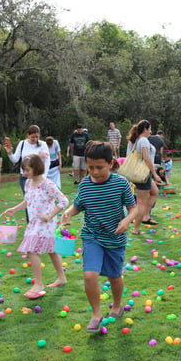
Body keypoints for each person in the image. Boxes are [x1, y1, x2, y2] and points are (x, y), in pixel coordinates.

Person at [60, 141, 138, 333]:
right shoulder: (85, 184)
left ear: (111, 164)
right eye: (91, 167)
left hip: (115, 238)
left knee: (114, 276)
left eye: (99, 167)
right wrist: (69, 212)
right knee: (89, 274)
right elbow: (78, 205)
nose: (94, 172)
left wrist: (127, 221)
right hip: (92, 236)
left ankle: (117, 305)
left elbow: (133, 209)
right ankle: (96, 315)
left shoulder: (121, 183)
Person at [4, 154, 69, 299]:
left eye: (27, 170)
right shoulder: (28, 183)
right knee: (52, 250)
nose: (24, 173)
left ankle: (38, 284)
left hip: (46, 223)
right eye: (24, 170)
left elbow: (63, 201)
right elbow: (27, 201)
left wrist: (50, 215)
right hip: (34, 222)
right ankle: (61, 277)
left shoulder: (47, 185)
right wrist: (14, 209)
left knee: (31, 249)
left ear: (37, 168)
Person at [126, 120, 162, 234]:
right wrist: (155, 174)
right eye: (150, 129)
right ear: (145, 129)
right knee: (141, 202)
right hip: (143, 174)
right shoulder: (143, 141)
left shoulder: (134, 141)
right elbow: (147, 159)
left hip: (137, 173)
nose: (151, 131)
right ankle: (136, 229)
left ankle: (146, 216)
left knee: (154, 192)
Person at [5, 125, 50, 197]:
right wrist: (10, 153)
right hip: (25, 176)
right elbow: (15, 160)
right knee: (28, 199)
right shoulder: (22, 143)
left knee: (38, 198)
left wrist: (44, 175)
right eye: (33, 137)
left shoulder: (43, 144)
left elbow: (47, 161)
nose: (35, 139)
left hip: (38, 176)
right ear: (28, 135)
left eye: (37, 137)